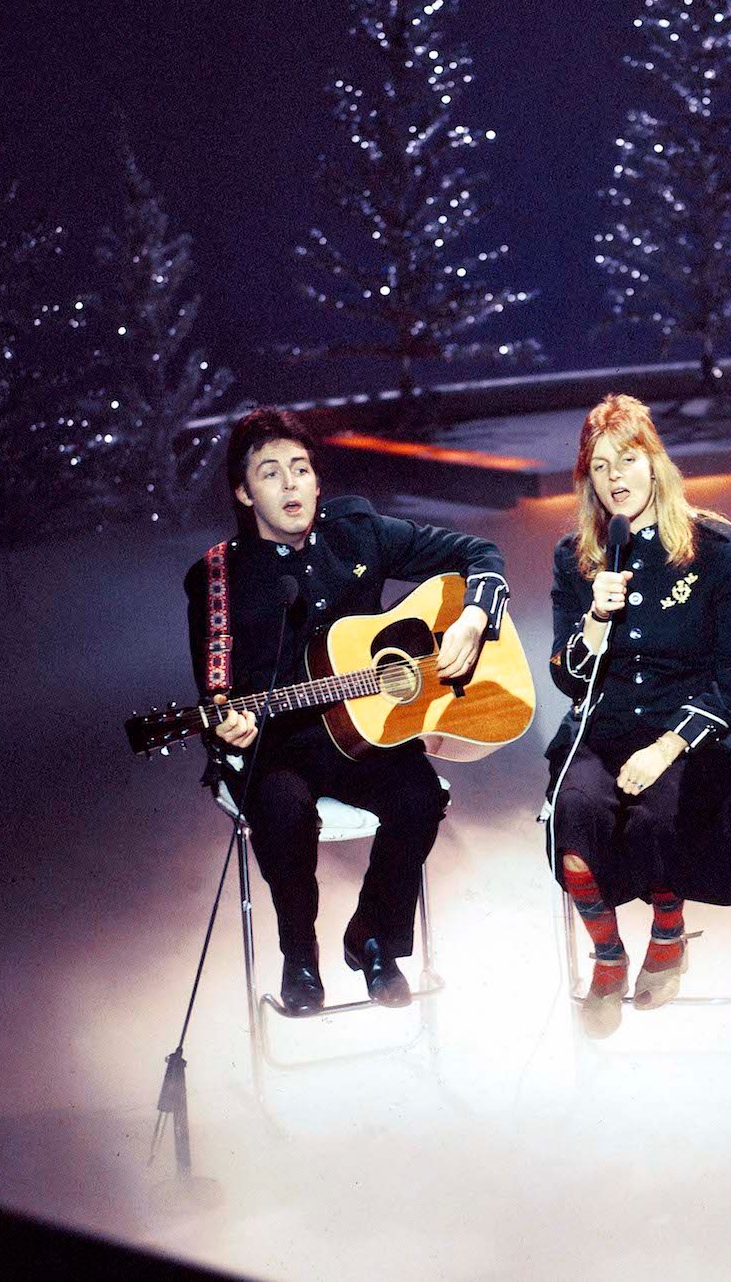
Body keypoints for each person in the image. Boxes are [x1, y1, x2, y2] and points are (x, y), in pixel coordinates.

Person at [185, 407, 509, 1014]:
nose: (290, 486)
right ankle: (299, 957)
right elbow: (215, 690)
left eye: (301, 469)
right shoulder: (217, 578)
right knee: (282, 808)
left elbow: (478, 551)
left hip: (371, 734)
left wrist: (474, 615)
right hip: (279, 748)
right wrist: (229, 726)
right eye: (271, 473)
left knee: (419, 797)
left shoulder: (357, 529)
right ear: (243, 491)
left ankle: (372, 939)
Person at [546, 394, 731, 1038]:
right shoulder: (576, 558)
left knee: (658, 812)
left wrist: (669, 745)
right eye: (600, 466)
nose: (615, 478)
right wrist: (592, 625)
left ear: (656, 463)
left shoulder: (716, 547)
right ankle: (608, 950)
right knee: (574, 815)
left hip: (690, 732)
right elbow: (566, 678)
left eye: (629, 459)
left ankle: (669, 924)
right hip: (606, 726)